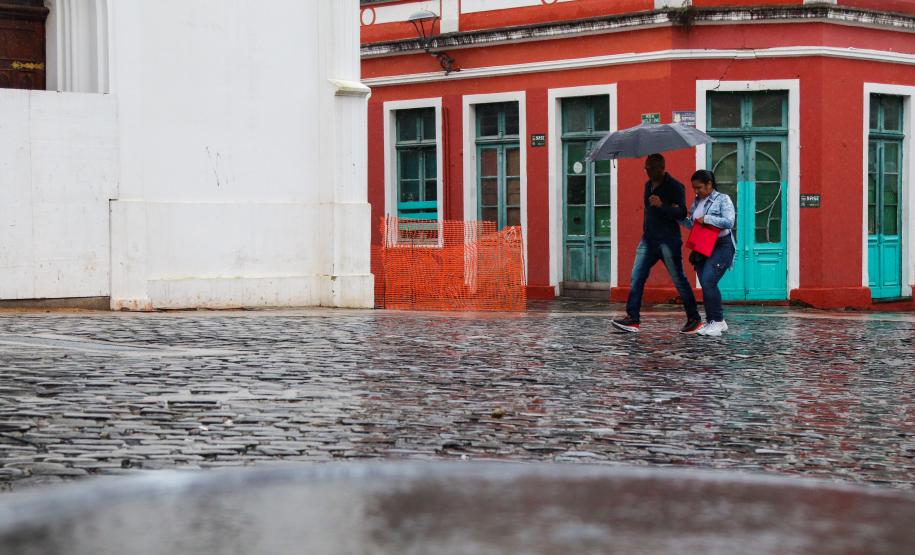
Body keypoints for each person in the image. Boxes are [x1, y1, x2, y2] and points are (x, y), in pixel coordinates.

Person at [611, 153, 702, 334]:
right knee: (637, 277)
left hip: (668, 240)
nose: (648, 172)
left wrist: (662, 205)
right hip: (648, 240)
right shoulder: (647, 186)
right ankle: (632, 319)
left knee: (679, 280)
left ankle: (694, 319)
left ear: (661, 168)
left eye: (651, 169)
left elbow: (682, 213)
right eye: (646, 168)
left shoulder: (675, 187)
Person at [680, 169, 736, 337]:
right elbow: (693, 224)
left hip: (722, 246)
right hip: (703, 246)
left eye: (699, 187)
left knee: (708, 280)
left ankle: (717, 321)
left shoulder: (722, 199)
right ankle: (714, 321)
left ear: (709, 184)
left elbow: (729, 221)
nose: (696, 191)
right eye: (694, 188)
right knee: (706, 284)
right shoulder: (697, 202)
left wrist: (708, 219)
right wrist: (680, 216)